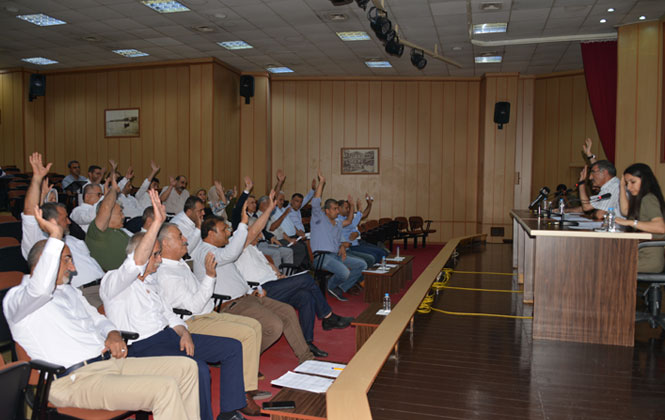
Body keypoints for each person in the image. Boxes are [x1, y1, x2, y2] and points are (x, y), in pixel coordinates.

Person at [4, 205, 200, 420]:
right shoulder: (18, 300)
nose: (73, 268)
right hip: (74, 380)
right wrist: (56, 237)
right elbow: (39, 289)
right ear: (43, 263)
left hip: (107, 364)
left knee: (187, 367)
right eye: (66, 259)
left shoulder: (70, 292)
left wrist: (112, 333)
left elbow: (98, 319)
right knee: (165, 387)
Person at [100, 190, 249, 420]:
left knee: (231, 348)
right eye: (156, 255)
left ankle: (229, 411)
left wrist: (184, 332)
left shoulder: (152, 280)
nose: (160, 260)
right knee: (198, 368)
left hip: (169, 336)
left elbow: (170, 316)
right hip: (142, 346)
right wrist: (157, 222)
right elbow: (134, 263)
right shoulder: (113, 281)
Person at [154, 221, 270, 411]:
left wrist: (208, 280)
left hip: (206, 314)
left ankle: (246, 387)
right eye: (180, 237)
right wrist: (209, 276)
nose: (186, 240)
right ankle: (243, 395)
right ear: (165, 243)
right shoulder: (166, 273)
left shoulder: (179, 264)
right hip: (191, 322)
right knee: (247, 333)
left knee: (254, 325)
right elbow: (193, 307)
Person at [191, 192, 316, 362]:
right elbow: (240, 244)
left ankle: (306, 358)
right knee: (274, 325)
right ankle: (241, 358)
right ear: (211, 234)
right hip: (229, 304)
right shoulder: (203, 252)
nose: (228, 233)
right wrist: (243, 224)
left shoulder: (221, 251)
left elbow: (251, 236)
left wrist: (269, 210)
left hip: (249, 296)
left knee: (286, 312)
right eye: (224, 230)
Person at [236, 216, 353, 356]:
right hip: (261, 290)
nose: (260, 235)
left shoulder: (256, 249)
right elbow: (251, 234)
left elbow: (268, 266)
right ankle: (327, 316)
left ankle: (307, 342)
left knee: (306, 296)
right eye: (258, 232)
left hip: (274, 284)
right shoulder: (238, 247)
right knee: (307, 279)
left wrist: (278, 273)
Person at [21, 152, 106, 307]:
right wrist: (37, 179)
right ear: (50, 221)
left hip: (105, 287)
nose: (69, 221)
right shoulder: (39, 242)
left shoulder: (72, 240)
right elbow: (29, 213)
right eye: (64, 218)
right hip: (84, 294)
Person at [309, 169, 367, 301]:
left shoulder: (337, 222)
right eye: (334, 209)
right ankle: (330, 286)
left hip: (336, 255)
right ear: (327, 210)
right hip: (322, 257)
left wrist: (352, 206)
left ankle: (339, 288)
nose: (337, 211)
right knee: (345, 272)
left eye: (337, 208)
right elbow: (316, 202)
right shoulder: (318, 219)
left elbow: (349, 221)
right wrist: (321, 183)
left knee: (361, 264)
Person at [614, 163, 665, 273]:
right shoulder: (641, 199)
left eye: (633, 182)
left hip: (648, 261)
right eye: (627, 183)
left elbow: (661, 227)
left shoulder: (648, 199)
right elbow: (625, 210)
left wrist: (631, 223)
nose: (629, 187)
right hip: (641, 255)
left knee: (608, 264)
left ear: (645, 180)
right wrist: (621, 186)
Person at [85, 173, 131, 271]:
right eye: (120, 213)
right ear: (108, 215)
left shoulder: (121, 231)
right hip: (113, 278)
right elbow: (106, 207)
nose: (123, 216)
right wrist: (113, 189)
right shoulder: (97, 232)